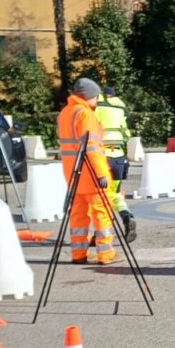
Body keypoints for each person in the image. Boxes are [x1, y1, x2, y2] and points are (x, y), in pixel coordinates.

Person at [57, 78, 116, 265]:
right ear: (90, 96)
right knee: (101, 213)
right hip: (90, 174)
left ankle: (78, 254)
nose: (97, 101)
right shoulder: (85, 114)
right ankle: (105, 255)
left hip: (72, 173)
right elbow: (92, 148)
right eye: (96, 97)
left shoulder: (65, 113)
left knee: (78, 215)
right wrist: (101, 174)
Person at [95, 86, 138, 242]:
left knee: (99, 197)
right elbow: (126, 134)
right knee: (115, 194)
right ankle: (127, 216)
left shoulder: (96, 107)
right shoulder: (121, 107)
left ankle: (101, 233)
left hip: (101, 158)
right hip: (119, 157)